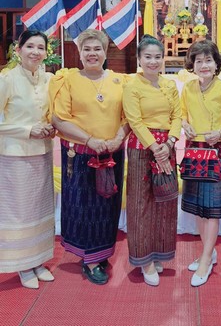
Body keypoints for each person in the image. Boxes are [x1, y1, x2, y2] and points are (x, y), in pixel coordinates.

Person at [49, 29, 129, 286]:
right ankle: (90, 260)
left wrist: (119, 136)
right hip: (80, 155)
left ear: (105, 53)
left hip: (113, 152)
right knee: (84, 206)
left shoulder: (121, 81)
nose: (92, 54)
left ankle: (102, 251)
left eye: (97, 49)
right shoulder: (68, 80)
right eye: (87, 50)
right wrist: (89, 140)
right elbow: (59, 119)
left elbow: (129, 115)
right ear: (80, 53)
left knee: (109, 204)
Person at [123, 35, 181, 286]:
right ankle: (144, 260)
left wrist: (169, 143)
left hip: (167, 149)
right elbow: (134, 121)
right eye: (148, 57)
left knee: (164, 204)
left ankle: (158, 252)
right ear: (139, 59)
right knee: (141, 205)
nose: (153, 61)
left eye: (158, 57)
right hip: (142, 150)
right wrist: (155, 146)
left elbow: (178, 115)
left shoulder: (169, 85)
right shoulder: (132, 86)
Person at [0, 30, 55, 289]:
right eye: (30, 46)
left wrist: (49, 127)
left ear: (46, 52)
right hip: (14, 155)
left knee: (38, 209)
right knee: (20, 213)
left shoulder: (49, 79)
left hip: (42, 153)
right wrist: (26, 130)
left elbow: (53, 114)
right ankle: (22, 266)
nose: (35, 52)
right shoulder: (7, 79)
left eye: (40, 47)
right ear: (18, 50)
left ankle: (38, 260)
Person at [181, 40, 221, 287]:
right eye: (199, 60)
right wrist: (185, 125)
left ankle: (205, 259)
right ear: (192, 64)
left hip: (215, 152)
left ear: (216, 64)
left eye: (208, 60)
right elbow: (181, 114)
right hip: (194, 152)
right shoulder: (188, 88)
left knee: (212, 208)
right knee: (198, 207)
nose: (204, 65)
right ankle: (208, 252)